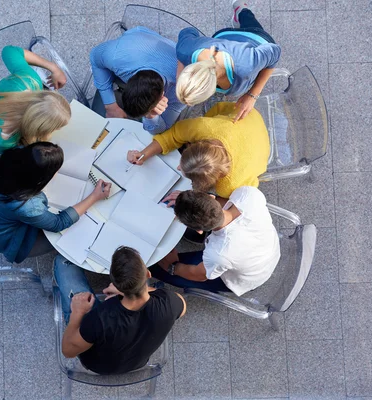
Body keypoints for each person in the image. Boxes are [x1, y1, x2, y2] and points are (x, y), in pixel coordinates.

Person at [56, 246, 186, 375]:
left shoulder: (100, 317)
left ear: (116, 284)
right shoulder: (169, 302)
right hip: (138, 362)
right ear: (148, 274)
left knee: (63, 262)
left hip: (97, 365)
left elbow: (68, 351)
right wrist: (134, 290)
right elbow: (183, 307)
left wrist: (77, 313)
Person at [0, 142, 111, 263]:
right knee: (66, 237)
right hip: (11, 239)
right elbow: (59, 223)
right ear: (39, 179)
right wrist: (94, 196)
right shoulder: (29, 207)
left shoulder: (11, 157)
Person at [150, 187, 280, 296]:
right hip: (269, 247)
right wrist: (192, 202)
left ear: (199, 230)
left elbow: (199, 275)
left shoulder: (219, 254)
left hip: (252, 276)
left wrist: (172, 267)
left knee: (154, 265)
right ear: (211, 198)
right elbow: (226, 201)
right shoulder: (249, 195)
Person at [127, 101, 269, 199]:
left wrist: (196, 198)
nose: (178, 166)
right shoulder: (203, 127)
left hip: (259, 150)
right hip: (248, 115)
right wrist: (143, 154)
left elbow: (245, 199)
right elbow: (173, 134)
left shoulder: (230, 186)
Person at [175, 1, 281, 122]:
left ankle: (240, 8)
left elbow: (275, 52)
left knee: (249, 20)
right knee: (246, 19)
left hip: (256, 37)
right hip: (224, 35)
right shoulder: (184, 51)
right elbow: (188, 31)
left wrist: (252, 95)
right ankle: (240, 12)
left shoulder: (246, 64)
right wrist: (180, 72)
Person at [89, 26, 186, 134]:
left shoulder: (182, 90)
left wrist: (151, 115)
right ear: (129, 80)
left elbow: (162, 129)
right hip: (132, 45)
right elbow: (95, 57)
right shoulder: (116, 56)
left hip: (166, 53)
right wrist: (110, 106)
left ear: (163, 95)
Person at [0, 45, 71, 154]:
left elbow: (9, 51)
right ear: (36, 130)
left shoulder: (30, 80)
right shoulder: (2, 141)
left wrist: (53, 67)